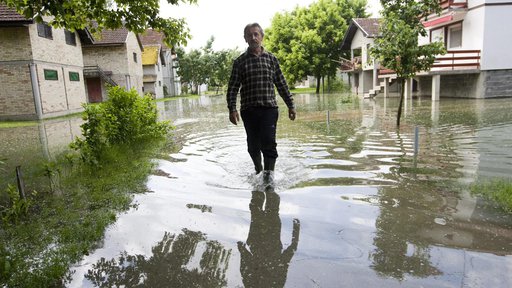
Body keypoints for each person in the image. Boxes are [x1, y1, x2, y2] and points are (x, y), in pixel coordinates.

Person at [226, 23, 296, 179]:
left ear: (262, 37)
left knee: (269, 143)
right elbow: (232, 88)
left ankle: (269, 177)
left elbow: (281, 83)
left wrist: (291, 105)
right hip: (248, 110)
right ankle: (258, 169)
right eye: (250, 35)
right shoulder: (240, 62)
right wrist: (232, 109)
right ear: (245, 39)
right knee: (253, 145)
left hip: (269, 109)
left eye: (256, 34)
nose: (253, 37)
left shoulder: (271, 59)